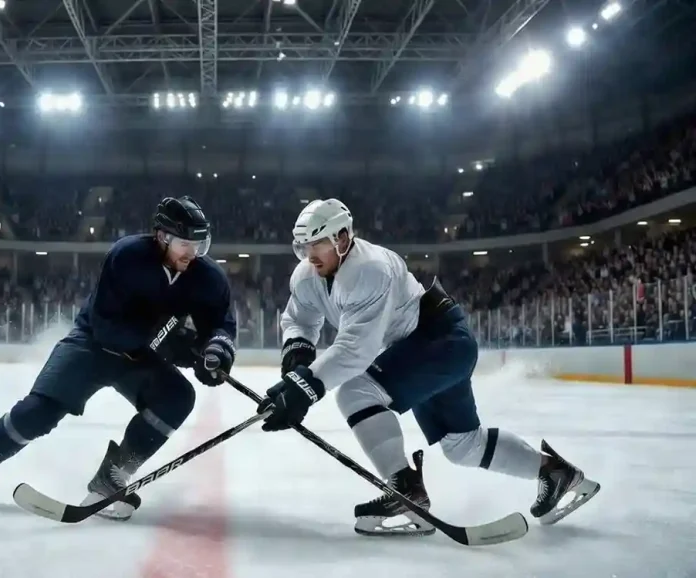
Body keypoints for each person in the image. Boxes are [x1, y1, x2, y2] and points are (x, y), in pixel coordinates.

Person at [257, 199, 600, 536]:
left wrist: (304, 388)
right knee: (463, 445)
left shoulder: (370, 268)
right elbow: (299, 320)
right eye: (303, 246)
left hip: (439, 340)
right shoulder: (307, 275)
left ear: (342, 238)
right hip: (425, 347)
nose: (309, 255)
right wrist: (297, 363)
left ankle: (406, 491)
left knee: (357, 391)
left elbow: (354, 352)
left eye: (317, 244)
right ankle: (555, 473)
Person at [0, 196, 237, 519]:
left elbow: (220, 324)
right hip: (92, 345)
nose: (193, 254)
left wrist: (216, 350)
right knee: (38, 411)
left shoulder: (208, 278)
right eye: (184, 244)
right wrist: (168, 342)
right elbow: (108, 327)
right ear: (162, 237)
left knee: (178, 396)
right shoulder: (128, 256)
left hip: (141, 357)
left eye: (199, 244)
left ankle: (112, 476)